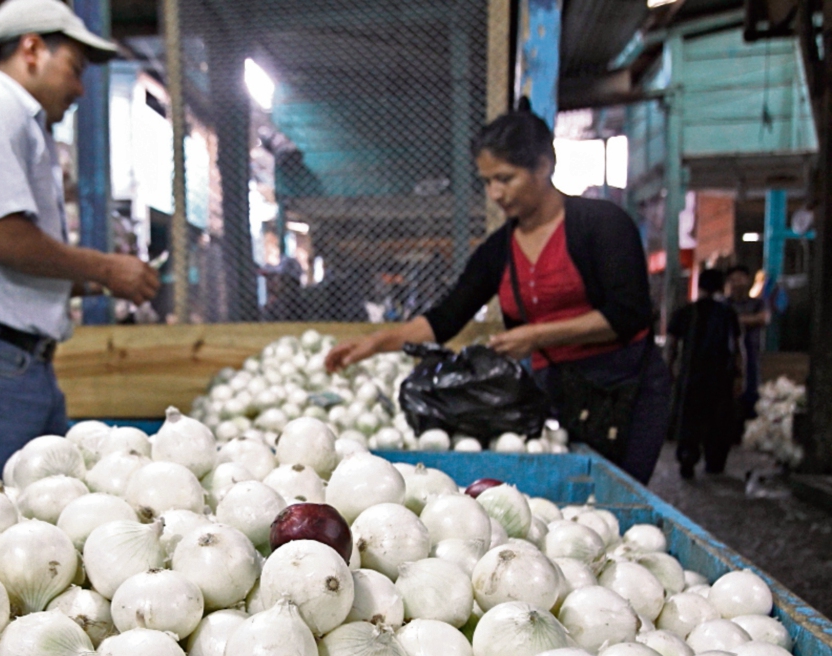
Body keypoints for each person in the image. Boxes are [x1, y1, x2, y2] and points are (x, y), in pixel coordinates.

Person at [326, 108, 672, 484]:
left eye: (505, 178)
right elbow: (444, 319)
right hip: (559, 395)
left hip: (626, 389)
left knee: (619, 491)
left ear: (544, 165)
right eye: (487, 181)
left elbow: (629, 313)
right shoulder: (498, 251)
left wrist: (537, 336)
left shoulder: (602, 225)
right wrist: (375, 344)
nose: (495, 193)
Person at [0, 0, 160, 488]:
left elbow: (11, 268)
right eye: (75, 69)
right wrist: (106, 268)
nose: (80, 88)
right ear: (32, 49)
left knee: (41, 514)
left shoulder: (22, 125)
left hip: (13, 363)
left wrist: (98, 283)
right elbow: (5, 240)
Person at [666, 268, 744, 478]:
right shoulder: (727, 313)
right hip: (720, 377)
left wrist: (669, 370)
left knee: (689, 420)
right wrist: (739, 375)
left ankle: (687, 458)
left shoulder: (685, 312)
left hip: (691, 375)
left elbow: (671, 345)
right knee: (718, 422)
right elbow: (736, 347)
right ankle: (714, 462)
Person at [725, 265, 769, 420]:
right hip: (727, 355)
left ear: (747, 280)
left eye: (740, 278)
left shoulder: (757, 303)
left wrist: (736, 321)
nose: (737, 283)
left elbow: (763, 318)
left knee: (752, 389)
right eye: (733, 280)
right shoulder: (724, 304)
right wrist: (748, 321)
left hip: (752, 353)